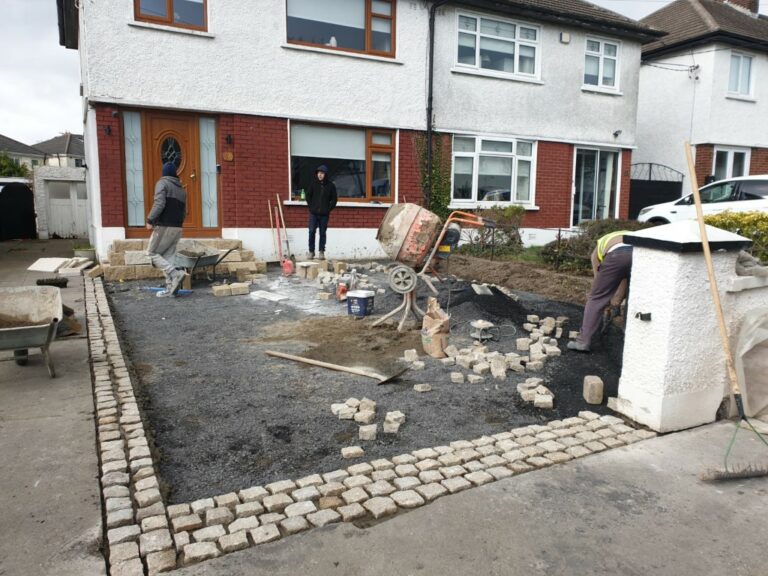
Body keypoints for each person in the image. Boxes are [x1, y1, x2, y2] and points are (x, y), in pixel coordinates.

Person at [567, 230, 633, 352]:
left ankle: (582, 342)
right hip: (642, 254)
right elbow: (624, 277)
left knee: (596, 298)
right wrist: (617, 299)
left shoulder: (597, 250)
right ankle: (628, 340)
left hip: (617, 254)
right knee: (634, 298)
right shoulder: (631, 234)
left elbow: (599, 282)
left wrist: (606, 298)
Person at [146, 162, 187, 297]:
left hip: (164, 226)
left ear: (164, 173)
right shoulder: (181, 189)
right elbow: (184, 211)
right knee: (167, 256)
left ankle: (176, 274)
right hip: (177, 227)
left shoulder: (162, 183)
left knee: (152, 253)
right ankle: (170, 289)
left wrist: (150, 220)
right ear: (175, 174)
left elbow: (159, 203)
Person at [305, 164, 337, 260]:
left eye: (322, 173)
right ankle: (311, 251)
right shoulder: (313, 184)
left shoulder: (331, 186)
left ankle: (321, 252)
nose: (320, 175)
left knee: (322, 233)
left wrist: (328, 209)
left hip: (324, 215)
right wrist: (311, 207)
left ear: (325, 174)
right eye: (319, 173)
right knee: (311, 231)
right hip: (313, 213)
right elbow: (308, 196)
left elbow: (334, 200)